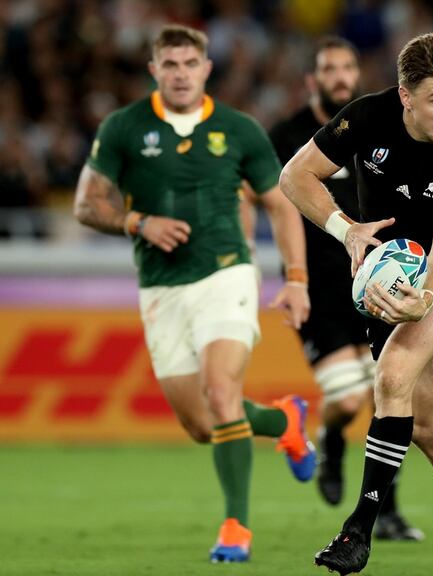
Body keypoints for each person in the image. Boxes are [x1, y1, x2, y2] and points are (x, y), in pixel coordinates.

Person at [279, 32, 433, 575]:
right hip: (385, 276)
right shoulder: (367, 117)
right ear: (405, 96)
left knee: (393, 374)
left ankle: (358, 531)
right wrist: (346, 229)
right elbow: (294, 176)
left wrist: (422, 302)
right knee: (428, 426)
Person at [73, 24, 315, 563]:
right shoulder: (123, 127)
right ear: (154, 70)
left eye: (190, 64)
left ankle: (235, 528)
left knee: (221, 392)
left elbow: (279, 204)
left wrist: (296, 278)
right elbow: (86, 204)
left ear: (206, 69)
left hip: (226, 274)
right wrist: (137, 221)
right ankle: (285, 421)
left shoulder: (239, 129)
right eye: (170, 64)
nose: (181, 74)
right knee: (204, 425)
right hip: (161, 288)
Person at [268, 35, 422, 541]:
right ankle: (331, 438)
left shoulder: (377, 124)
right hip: (320, 287)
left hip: (377, 280)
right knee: (352, 399)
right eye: (329, 68)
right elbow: (276, 205)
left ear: (357, 74)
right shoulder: (287, 135)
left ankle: (388, 510)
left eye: (346, 67)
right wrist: (294, 278)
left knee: (391, 396)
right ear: (312, 79)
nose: (339, 76)